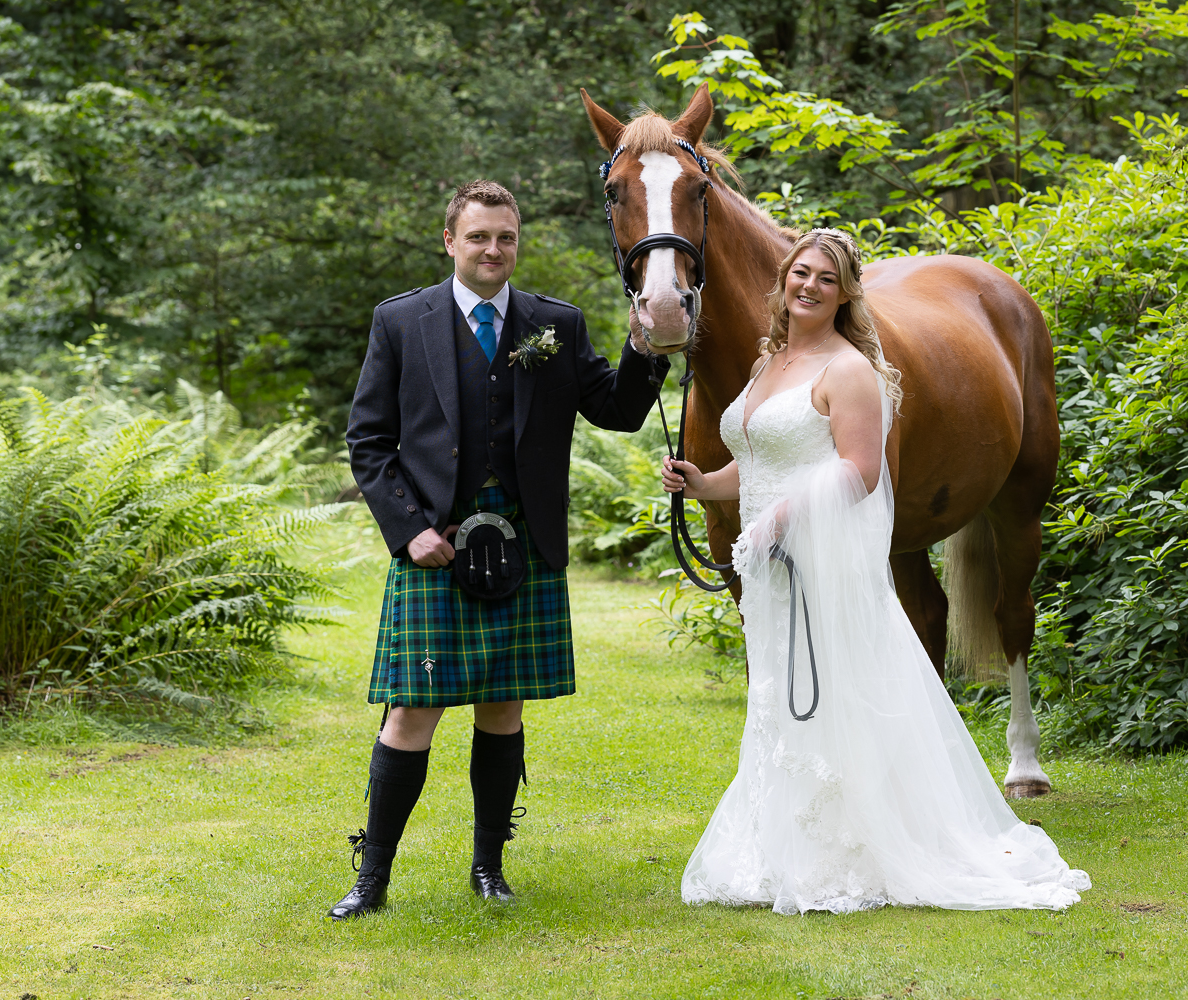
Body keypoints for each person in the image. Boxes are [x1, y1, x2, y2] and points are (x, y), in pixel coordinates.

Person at [661, 229, 1090, 913]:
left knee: (838, 688)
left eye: (825, 280)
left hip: (818, 549)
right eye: (799, 273)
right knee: (781, 693)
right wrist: (704, 481)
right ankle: (785, 839)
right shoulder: (769, 362)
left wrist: (783, 519)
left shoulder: (850, 369)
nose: (807, 286)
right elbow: (765, 458)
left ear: (845, 294)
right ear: (781, 282)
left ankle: (860, 844)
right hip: (774, 560)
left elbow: (859, 471)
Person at [331, 179, 668, 918]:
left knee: (503, 708)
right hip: (436, 544)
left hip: (523, 545)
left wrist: (645, 343)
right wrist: (407, 528)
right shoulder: (400, 321)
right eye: (479, 237)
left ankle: (489, 866)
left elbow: (616, 409)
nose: (493, 250)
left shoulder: (556, 322)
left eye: (506, 237)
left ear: (519, 242)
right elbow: (368, 440)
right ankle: (372, 878)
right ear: (450, 241)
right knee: (411, 712)